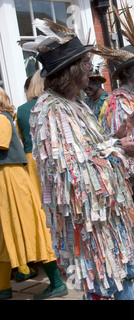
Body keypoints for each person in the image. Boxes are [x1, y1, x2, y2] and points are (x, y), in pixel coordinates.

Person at [30, 18, 134, 300]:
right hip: (92, 224)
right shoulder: (51, 110)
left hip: (110, 217)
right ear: (71, 70)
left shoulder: (76, 103)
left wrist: (116, 137)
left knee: (125, 278)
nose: (91, 68)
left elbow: (89, 149)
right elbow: (70, 170)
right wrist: (119, 150)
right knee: (110, 285)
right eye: (85, 63)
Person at [0, 87, 67, 300]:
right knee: (3, 236)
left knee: (30, 230)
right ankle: (3, 288)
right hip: (4, 181)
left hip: (12, 180)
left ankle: (56, 283)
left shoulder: (1, 118)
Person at [14, 70, 46, 282]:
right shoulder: (51, 105)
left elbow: (17, 138)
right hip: (51, 158)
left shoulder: (22, 110)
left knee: (39, 210)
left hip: (30, 162)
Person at [83, 55, 109, 119]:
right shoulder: (86, 102)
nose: (86, 86)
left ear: (98, 82)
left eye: (89, 82)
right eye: (84, 82)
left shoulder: (108, 102)